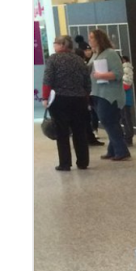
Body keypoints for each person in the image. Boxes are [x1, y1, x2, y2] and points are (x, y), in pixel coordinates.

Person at [41, 35, 92, 172]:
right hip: (79, 100)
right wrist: (85, 96)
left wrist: (45, 98)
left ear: (63, 45)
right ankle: (83, 162)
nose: (54, 46)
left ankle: (65, 163)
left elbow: (48, 80)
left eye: (55, 43)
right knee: (80, 131)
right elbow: (87, 82)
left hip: (60, 100)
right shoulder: (79, 60)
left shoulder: (53, 59)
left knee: (62, 132)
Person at [89, 29, 129, 161]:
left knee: (109, 121)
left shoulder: (110, 54)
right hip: (97, 93)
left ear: (99, 39)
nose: (90, 41)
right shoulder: (96, 54)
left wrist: (101, 75)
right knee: (109, 122)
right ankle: (113, 150)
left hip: (110, 95)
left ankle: (121, 150)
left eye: (92, 38)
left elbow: (118, 73)